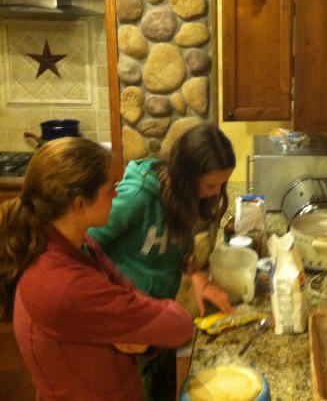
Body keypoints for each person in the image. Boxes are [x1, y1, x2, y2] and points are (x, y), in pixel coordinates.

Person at [0, 137, 194, 400]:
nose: (117, 193)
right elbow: (179, 325)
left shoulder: (80, 243)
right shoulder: (62, 284)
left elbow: (124, 286)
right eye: (111, 188)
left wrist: (133, 330)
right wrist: (135, 327)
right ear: (80, 204)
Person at [87, 123, 236, 401]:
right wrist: (115, 299)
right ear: (187, 175)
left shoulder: (184, 196)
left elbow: (180, 243)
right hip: (126, 324)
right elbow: (84, 247)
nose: (217, 192)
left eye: (222, 184)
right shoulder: (136, 197)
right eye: (210, 185)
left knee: (163, 390)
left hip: (157, 313)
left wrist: (198, 277)